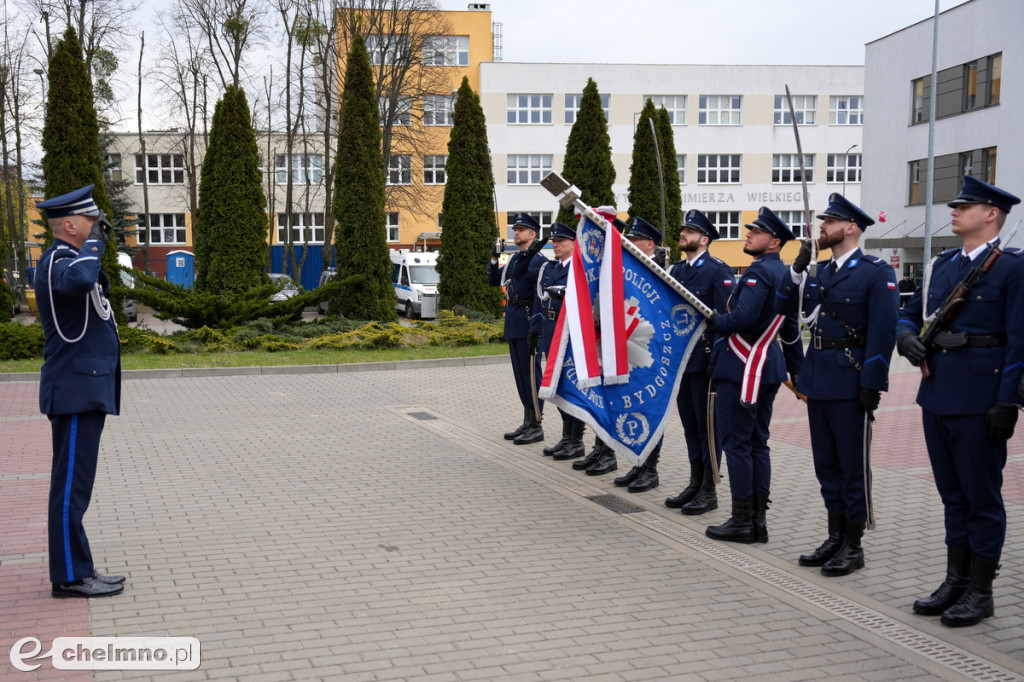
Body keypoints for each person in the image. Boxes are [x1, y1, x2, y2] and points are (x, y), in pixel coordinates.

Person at [897, 176, 1023, 627]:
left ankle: (982, 590)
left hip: (981, 398)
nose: (954, 210)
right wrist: (907, 337)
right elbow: (907, 315)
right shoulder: (942, 264)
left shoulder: (1012, 267)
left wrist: (1006, 402)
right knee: (952, 496)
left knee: (981, 498)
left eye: (964, 206)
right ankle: (956, 579)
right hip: (938, 394)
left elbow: (1019, 342)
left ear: (991, 214)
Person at [778, 194, 899, 577]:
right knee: (826, 466)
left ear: (850, 227)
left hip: (851, 380)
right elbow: (787, 310)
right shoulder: (822, 271)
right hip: (820, 378)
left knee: (851, 467)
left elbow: (883, 332)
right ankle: (834, 536)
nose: (821, 228)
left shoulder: (876, 272)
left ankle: (853, 543)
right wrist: (797, 272)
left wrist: (873, 383)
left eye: (829, 222)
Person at [35, 185, 125, 599]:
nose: (98, 231)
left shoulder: (70, 259)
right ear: (70, 225)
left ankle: (78, 568)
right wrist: (93, 245)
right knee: (70, 487)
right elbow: (82, 277)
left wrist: (92, 245)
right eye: (90, 224)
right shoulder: (58, 260)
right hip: (74, 389)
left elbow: (93, 283)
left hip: (84, 387)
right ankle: (69, 577)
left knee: (76, 486)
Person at [705, 207, 803, 544]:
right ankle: (758, 521)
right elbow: (790, 328)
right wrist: (798, 370)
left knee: (737, 444)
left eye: (756, 232)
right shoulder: (784, 274)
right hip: (769, 365)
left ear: (774, 241)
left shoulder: (758, 273)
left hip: (742, 367)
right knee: (758, 443)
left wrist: (716, 321)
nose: (748, 235)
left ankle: (742, 520)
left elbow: (742, 319)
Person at [664, 210, 734, 514]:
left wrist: (717, 359)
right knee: (691, 426)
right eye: (683, 229)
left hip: (705, 360)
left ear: (704, 239)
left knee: (709, 428)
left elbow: (726, 319)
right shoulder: (677, 270)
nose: (683, 234)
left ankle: (709, 488)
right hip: (683, 362)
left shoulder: (718, 271)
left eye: (689, 231)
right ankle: (695, 482)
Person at [609, 217, 666, 491]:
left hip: (654, 353)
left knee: (653, 408)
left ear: (650, 244)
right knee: (634, 406)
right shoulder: (629, 271)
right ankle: (639, 462)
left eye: (635, 240)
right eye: (628, 240)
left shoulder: (662, 270)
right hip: (632, 349)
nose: (629, 244)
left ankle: (650, 469)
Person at [489, 213, 549, 445]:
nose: (516, 233)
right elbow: (496, 280)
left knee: (531, 375)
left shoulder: (539, 260)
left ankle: (536, 423)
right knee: (520, 375)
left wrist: (537, 326)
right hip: (514, 321)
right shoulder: (515, 259)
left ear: (533, 234)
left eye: (522, 230)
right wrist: (494, 257)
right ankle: (527, 421)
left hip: (527, 322)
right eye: (515, 229)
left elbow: (539, 297)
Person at [528, 223, 586, 460]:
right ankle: (566, 436)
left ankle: (577, 440)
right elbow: (539, 300)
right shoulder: (550, 268)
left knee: (572, 387)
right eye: (554, 241)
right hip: (551, 332)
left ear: (574, 243)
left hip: (570, 335)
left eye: (561, 241)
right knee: (558, 388)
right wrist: (535, 330)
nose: (556, 244)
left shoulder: (580, 269)